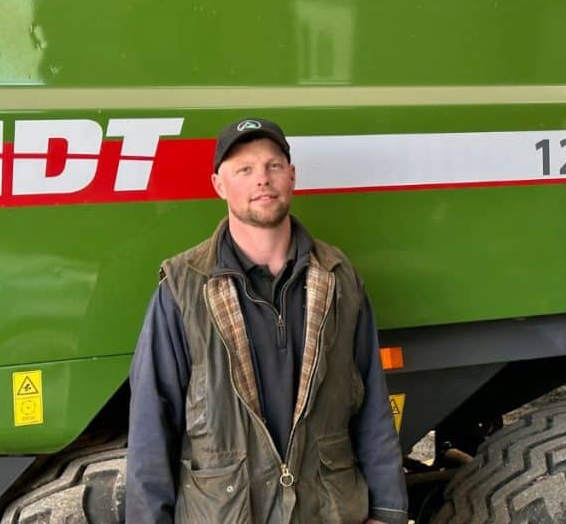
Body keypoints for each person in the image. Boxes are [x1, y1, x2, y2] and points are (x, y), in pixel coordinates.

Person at [126, 118, 408, 524]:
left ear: (291, 177)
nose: (262, 179)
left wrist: (386, 511)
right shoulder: (183, 289)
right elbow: (151, 426)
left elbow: (372, 408)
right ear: (218, 185)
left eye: (273, 166)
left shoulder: (339, 278)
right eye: (244, 169)